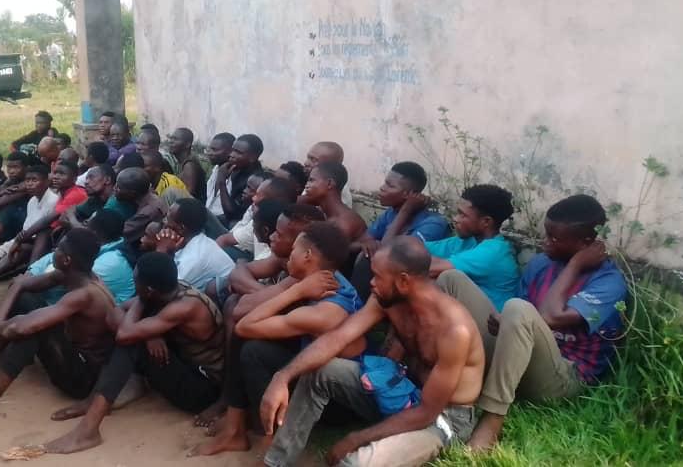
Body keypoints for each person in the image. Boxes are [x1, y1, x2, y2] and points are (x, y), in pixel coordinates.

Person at [260, 236, 485, 466]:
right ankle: (276, 462)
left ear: (404, 281)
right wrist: (283, 376)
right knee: (318, 370)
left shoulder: (454, 331)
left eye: (377, 276)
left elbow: (427, 412)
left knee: (356, 464)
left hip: (442, 418)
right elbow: (337, 338)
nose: (371, 283)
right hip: (402, 390)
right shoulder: (388, 301)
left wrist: (357, 438)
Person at [11, 253, 225, 457]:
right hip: (183, 366)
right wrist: (150, 333)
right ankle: (94, 403)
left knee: (130, 344)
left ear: (149, 290)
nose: (134, 284)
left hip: (203, 388)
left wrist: (142, 312)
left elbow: (124, 334)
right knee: (133, 336)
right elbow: (114, 313)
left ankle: (88, 430)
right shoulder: (165, 291)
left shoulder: (185, 306)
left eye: (136, 282)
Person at [463, 194, 627, 451]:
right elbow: (522, 315)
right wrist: (504, 322)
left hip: (564, 377)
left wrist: (575, 265)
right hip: (520, 361)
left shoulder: (609, 283)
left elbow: (551, 317)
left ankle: (493, 417)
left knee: (518, 309)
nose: (545, 242)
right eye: (546, 234)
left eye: (554, 238)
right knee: (453, 280)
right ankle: (438, 374)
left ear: (585, 243)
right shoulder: (541, 264)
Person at [195, 222, 366, 456]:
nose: (288, 256)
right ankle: (234, 430)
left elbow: (244, 326)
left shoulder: (326, 311)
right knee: (250, 342)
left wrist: (296, 292)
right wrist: (296, 289)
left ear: (307, 256)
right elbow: (242, 312)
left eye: (294, 249)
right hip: (311, 364)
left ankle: (269, 439)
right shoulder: (314, 277)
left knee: (253, 349)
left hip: (333, 401)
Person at [0, 228, 119, 432]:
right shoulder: (73, 275)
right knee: (26, 302)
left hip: (83, 378)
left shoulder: (85, 294)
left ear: (67, 260)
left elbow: (23, 326)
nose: (54, 251)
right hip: (73, 353)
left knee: (32, 329)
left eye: (58, 249)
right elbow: (20, 284)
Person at [352, 161, 450, 299]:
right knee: (362, 253)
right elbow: (363, 240)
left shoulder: (433, 224)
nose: (382, 188)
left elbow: (390, 255)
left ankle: (357, 304)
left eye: (390, 185)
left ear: (409, 194)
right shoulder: (391, 213)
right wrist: (367, 244)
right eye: (385, 183)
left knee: (367, 259)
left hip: (412, 282)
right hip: (390, 275)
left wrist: (406, 210)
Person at [425, 184, 520, 310]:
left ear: (486, 222)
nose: (455, 219)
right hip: (467, 313)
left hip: (490, 320)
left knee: (432, 280)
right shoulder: (469, 240)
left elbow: (428, 269)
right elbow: (418, 247)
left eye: (463, 215)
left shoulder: (493, 252)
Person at [152, 198, 236, 290]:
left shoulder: (195, 257)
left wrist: (161, 250)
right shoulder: (188, 242)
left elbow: (162, 289)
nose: (163, 222)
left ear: (181, 228)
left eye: (167, 218)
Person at [217, 175, 297, 261]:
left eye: (259, 195)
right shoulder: (259, 218)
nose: (253, 198)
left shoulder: (279, 246)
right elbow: (224, 239)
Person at [300, 162, 367, 244]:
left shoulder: (343, 223)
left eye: (311, 180)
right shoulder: (327, 213)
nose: (306, 186)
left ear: (329, 183)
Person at [213, 134, 264, 225]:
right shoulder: (236, 168)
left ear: (252, 157)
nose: (231, 155)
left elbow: (232, 213)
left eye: (238, 152)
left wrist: (222, 181)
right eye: (232, 150)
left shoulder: (254, 180)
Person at [115, 167, 168, 250]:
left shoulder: (148, 212)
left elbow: (119, 233)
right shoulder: (147, 193)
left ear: (132, 193)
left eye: (118, 188)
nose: (114, 189)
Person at [304, 141, 353, 207]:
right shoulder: (318, 182)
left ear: (330, 166)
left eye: (313, 159)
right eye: (308, 157)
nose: (306, 163)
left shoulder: (335, 193)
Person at [168, 127, 207, 202]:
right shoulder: (184, 163)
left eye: (175, 139)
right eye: (171, 138)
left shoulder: (189, 165)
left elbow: (188, 196)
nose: (171, 141)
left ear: (187, 144)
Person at [204, 132, 235, 216]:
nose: (209, 153)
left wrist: (222, 179)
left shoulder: (235, 176)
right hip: (208, 215)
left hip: (222, 220)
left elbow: (231, 212)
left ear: (230, 152)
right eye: (210, 149)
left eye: (215, 150)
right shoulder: (216, 169)